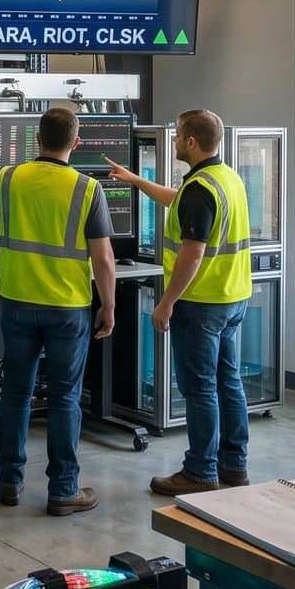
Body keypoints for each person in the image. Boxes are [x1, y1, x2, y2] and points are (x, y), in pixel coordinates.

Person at [0, 108, 116, 516]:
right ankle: (63, 490)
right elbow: (103, 259)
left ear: (38, 139)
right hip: (68, 308)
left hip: (17, 302)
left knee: (15, 392)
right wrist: (109, 305)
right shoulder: (87, 189)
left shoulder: (11, 177)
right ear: (76, 143)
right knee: (66, 397)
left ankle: (10, 482)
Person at [107, 109, 254, 496]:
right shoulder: (225, 178)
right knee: (229, 383)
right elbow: (178, 200)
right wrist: (136, 180)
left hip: (201, 302)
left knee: (200, 389)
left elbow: (192, 253)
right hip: (232, 297)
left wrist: (166, 302)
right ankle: (233, 466)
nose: (173, 141)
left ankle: (200, 471)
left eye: (177, 136)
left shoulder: (201, 188)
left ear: (191, 142)